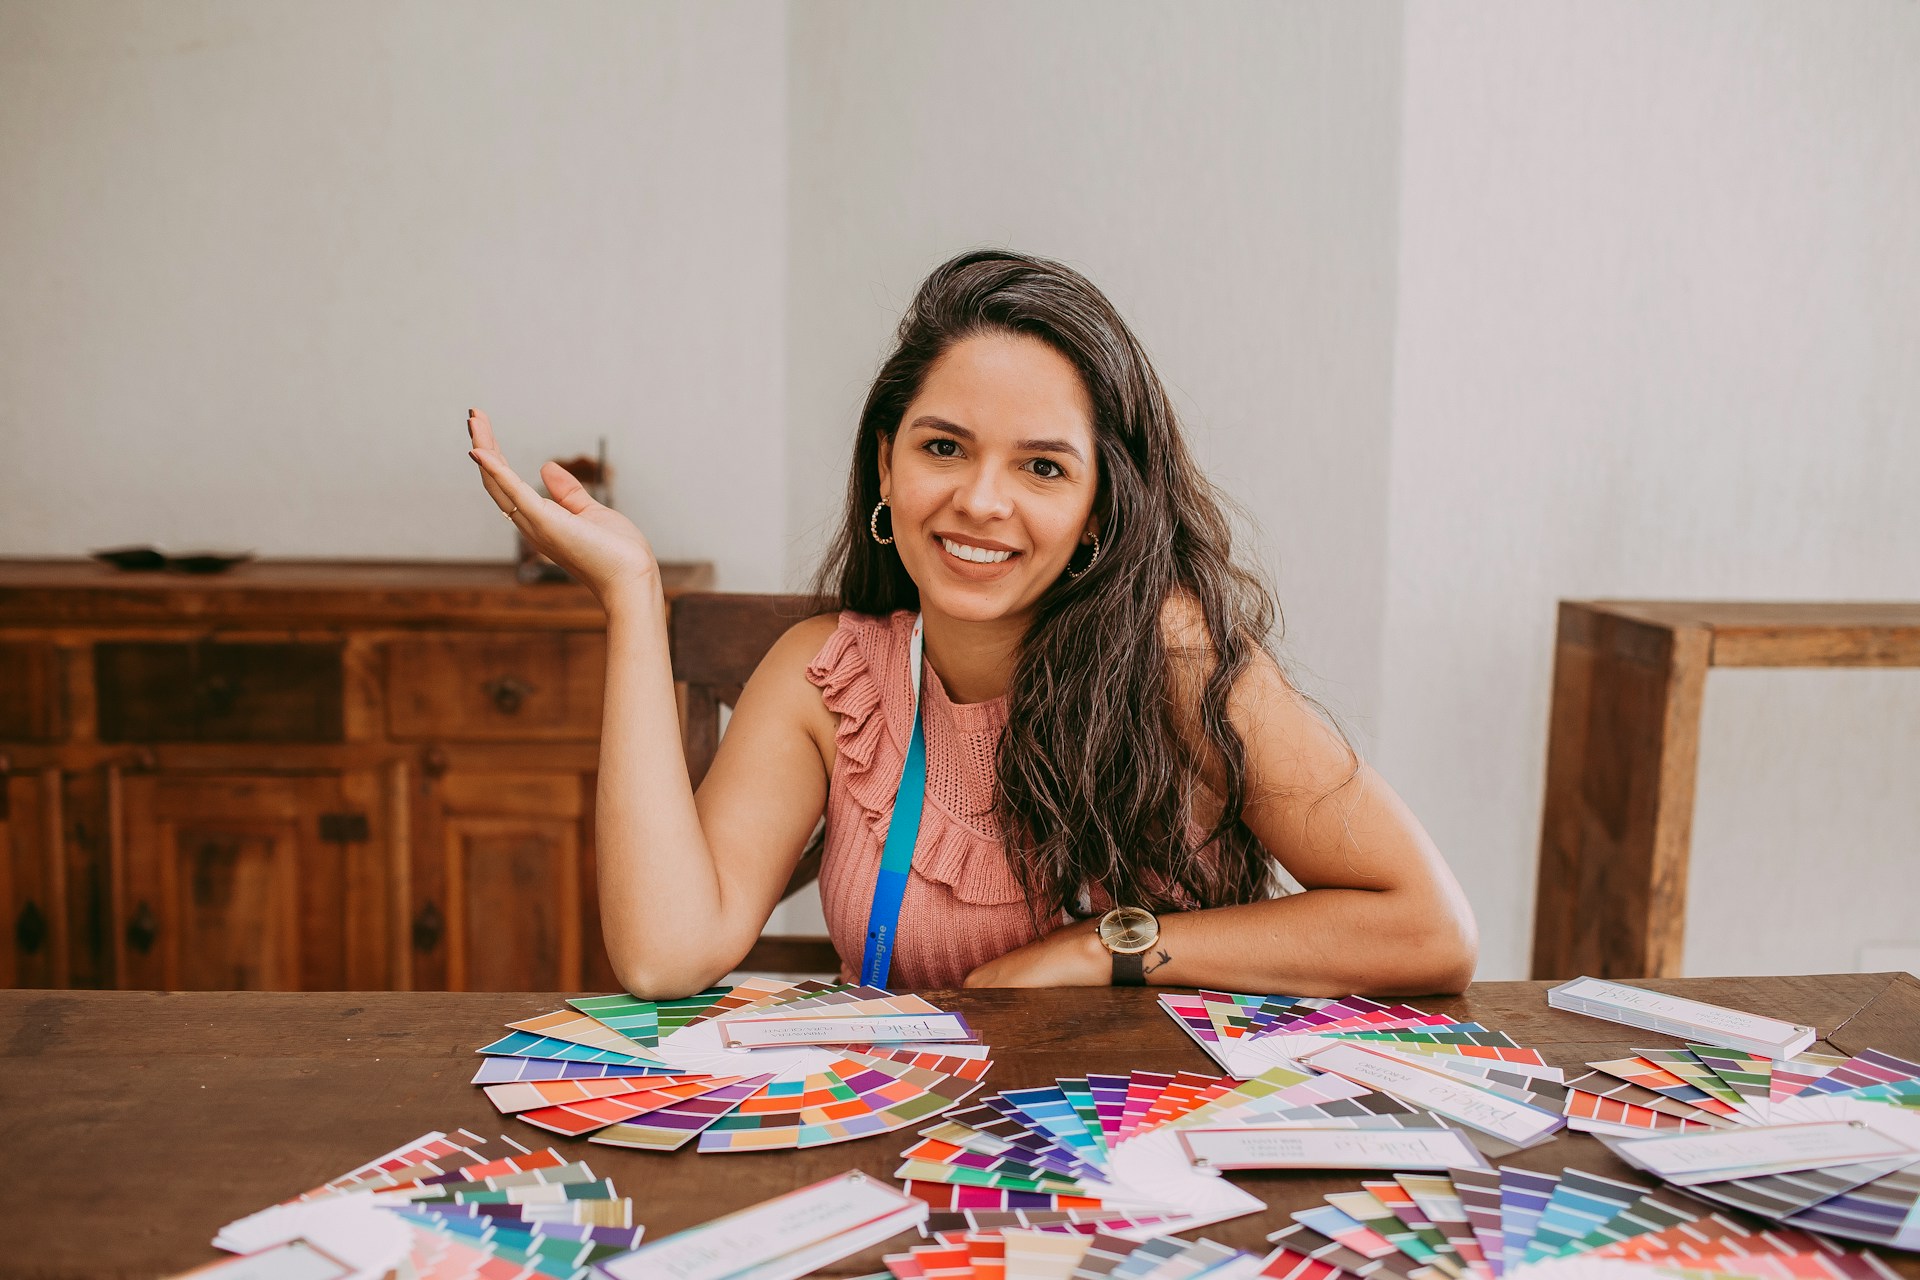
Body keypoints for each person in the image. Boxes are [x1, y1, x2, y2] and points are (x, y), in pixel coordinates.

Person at [466, 249, 1477, 999]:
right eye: (944, 446)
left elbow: (1428, 927)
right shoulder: (829, 680)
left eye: (1043, 466)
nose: (981, 502)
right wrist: (631, 595)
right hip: (913, 1163)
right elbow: (661, 952)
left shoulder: (1173, 658)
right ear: (885, 463)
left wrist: (1097, 949)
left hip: (1143, 1177)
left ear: (1100, 506)